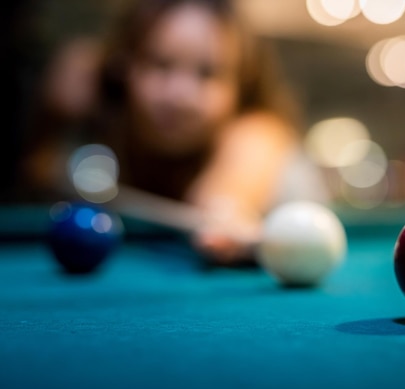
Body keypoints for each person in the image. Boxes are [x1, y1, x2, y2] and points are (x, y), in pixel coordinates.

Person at [21, 0, 326, 264]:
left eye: (207, 73)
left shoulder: (257, 134)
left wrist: (225, 214)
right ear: (125, 67)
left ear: (238, 90)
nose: (180, 96)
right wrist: (51, 118)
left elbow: (225, 202)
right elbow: (38, 173)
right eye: (161, 64)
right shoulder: (94, 107)